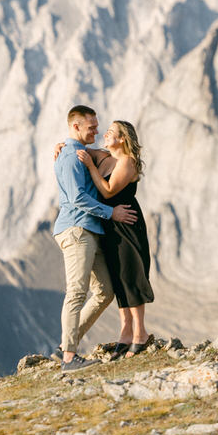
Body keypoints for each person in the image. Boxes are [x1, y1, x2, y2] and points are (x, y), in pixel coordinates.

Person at [53, 105, 137, 371]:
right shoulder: (68, 157)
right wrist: (110, 213)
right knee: (77, 292)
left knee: (105, 292)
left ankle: (67, 344)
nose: (97, 131)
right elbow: (77, 198)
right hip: (77, 230)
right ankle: (69, 358)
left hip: (90, 231)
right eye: (91, 127)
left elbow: (102, 155)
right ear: (76, 126)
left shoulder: (77, 152)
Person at [76, 120, 155, 356]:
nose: (106, 134)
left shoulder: (127, 161)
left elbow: (109, 190)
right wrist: (61, 146)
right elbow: (79, 149)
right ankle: (126, 332)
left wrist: (91, 167)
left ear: (122, 139)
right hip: (111, 225)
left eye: (111, 132)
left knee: (131, 275)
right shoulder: (103, 156)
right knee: (118, 278)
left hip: (127, 226)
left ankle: (140, 333)